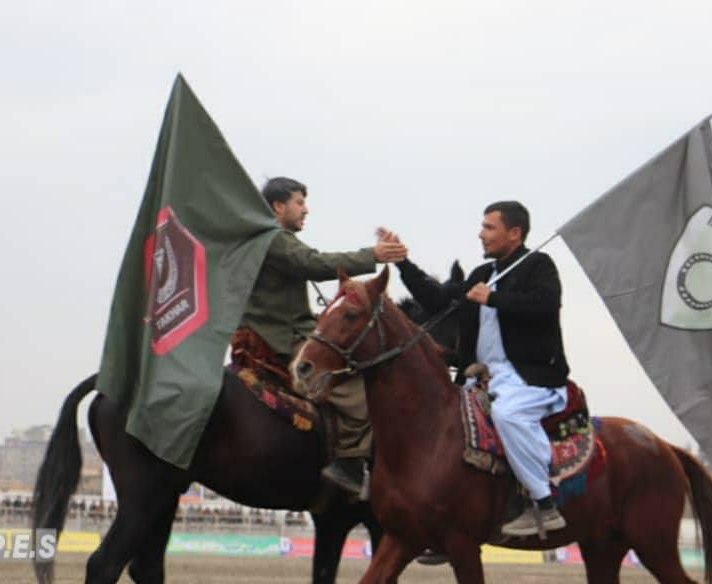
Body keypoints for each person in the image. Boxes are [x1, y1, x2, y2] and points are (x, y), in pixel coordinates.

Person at [392, 200, 570, 535]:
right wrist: (402, 262)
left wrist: (494, 299)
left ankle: (544, 504)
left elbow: (546, 306)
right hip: (483, 379)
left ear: (514, 233)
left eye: (489, 227)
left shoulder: (539, 265)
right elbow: (436, 299)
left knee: (507, 415)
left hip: (531, 381)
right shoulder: (482, 275)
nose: (481, 234)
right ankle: (449, 523)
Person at [238, 177, 407, 493]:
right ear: (278, 206)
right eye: (299, 202)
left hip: (276, 332)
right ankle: (349, 461)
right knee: (362, 388)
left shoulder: (264, 239)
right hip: (283, 340)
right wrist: (372, 255)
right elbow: (314, 263)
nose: (306, 210)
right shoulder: (275, 239)